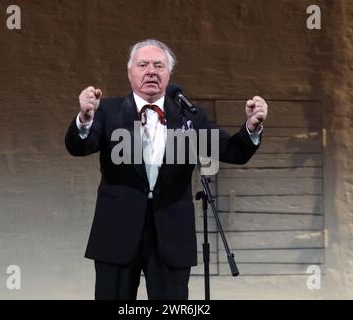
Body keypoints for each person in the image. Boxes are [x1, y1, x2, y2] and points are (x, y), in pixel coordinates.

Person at [65, 39, 268, 300]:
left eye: (159, 65)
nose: (151, 71)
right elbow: (79, 146)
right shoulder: (108, 111)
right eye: (143, 65)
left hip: (171, 232)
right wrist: (84, 119)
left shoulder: (188, 117)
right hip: (116, 229)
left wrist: (251, 127)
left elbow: (232, 151)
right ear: (130, 73)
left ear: (168, 74)